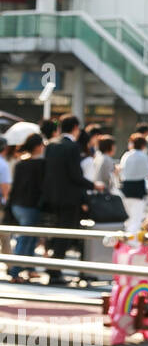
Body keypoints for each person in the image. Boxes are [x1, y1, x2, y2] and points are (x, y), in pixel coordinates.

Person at [40, 114, 102, 286]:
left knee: (57, 233)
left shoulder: (51, 145)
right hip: (70, 198)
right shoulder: (73, 147)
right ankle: (55, 270)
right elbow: (75, 175)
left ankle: (53, 266)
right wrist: (93, 185)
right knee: (65, 234)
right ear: (75, 128)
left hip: (52, 197)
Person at [9, 133, 45, 282]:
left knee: (29, 237)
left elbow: (15, 186)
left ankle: (30, 268)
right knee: (26, 238)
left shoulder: (20, 163)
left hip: (18, 205)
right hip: (31, 205)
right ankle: (15, 271)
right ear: (37, 147)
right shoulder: (41, 165)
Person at [118, 134, 148, 233]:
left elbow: (121, 171)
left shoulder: (126, 155)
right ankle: (133, 243)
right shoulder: (144, 156)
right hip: (138, 189)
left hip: (125, 188)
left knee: (128, 217)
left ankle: (127, 240)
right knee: (137, 218)